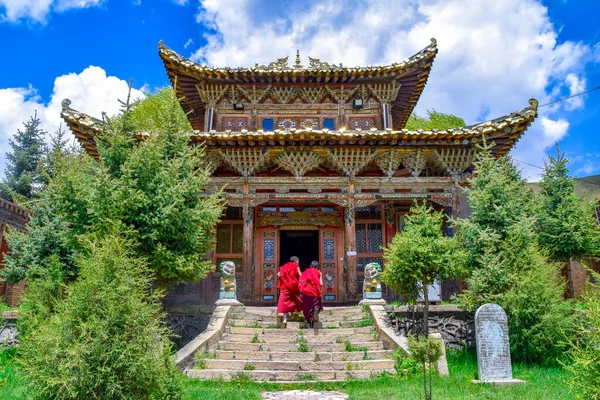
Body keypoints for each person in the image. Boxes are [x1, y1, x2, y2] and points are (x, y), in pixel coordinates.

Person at [277, 256, 302, 323]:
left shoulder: (284, 266)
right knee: (294, 300)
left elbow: (278, 274)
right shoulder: (296, 266)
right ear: (296, 261)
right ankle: (294, 314)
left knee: (285, 301)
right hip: (294, 286)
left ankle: (285, 318)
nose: (298, 262)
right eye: (298, 261)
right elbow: (301, 275)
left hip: (285, 287)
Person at [299, 260, 323, 328]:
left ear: (310, 266)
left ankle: (310, 322)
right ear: (318, 267)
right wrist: (319, 291)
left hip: (308, 292)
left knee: (307, 308)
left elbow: (302, 281)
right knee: (316, 304)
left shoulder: (306, 272)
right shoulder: (319, 272)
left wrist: (301, 290)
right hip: (316, 292)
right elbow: (321, 284)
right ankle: (316, 308)